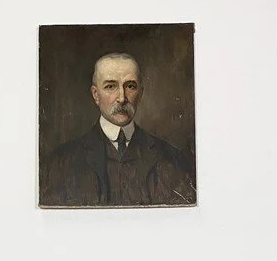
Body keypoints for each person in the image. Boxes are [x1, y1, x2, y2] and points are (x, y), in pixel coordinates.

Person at [40, 52, 196, 207]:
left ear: (140, 94)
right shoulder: (59, 164)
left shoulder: (174, 159)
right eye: (110, 86)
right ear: (96, 95)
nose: (122, 98)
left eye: (130, 86)